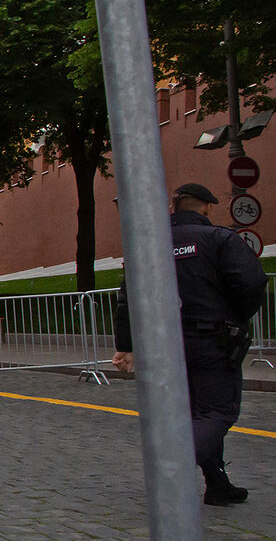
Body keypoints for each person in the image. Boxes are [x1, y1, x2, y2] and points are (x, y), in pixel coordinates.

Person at [112, 181, 266, 505]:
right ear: (207, 207)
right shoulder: (219, 238)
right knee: (218, 411)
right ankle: (173, 464)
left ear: (173, 207)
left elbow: (127, 299)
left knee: (196, 412)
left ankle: (217, 484)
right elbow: (250, 282)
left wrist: (127, 346)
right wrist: (236, 316)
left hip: (164, 344)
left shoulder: (147, 245)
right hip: (213, 340)